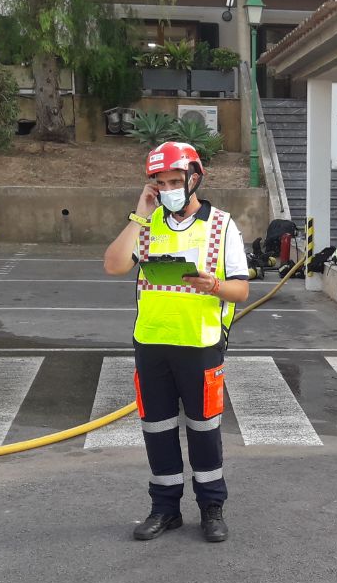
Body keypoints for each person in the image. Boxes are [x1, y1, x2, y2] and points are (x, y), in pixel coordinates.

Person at [102, 141, 250, 543]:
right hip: (151, 345)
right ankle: (165, 509)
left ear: (194, 179)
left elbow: (241, 291)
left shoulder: (221, 224)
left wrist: (214, 284)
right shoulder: (147, 225)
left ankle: (212, 508)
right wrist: (139, 215)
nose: (166, 187)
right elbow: (114, 265)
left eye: (173, 180)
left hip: (200, 346)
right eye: (159, 181)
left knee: (205, 431)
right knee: (157, 430)